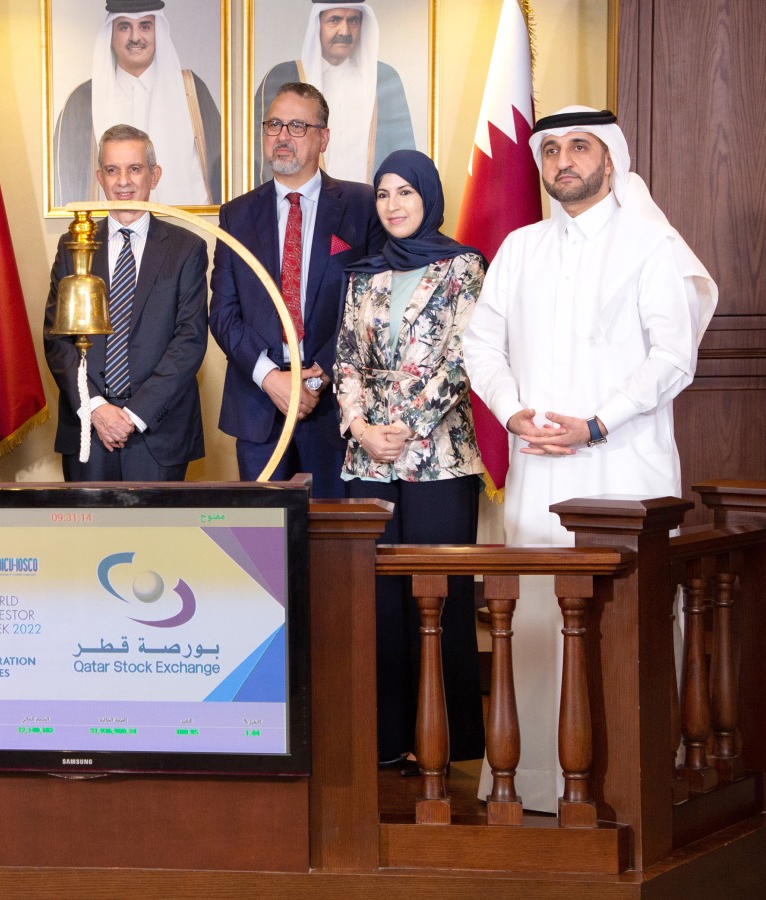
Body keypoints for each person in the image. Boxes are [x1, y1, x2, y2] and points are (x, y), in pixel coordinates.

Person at [463, 106, 718, 811]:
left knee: (624, 616)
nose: (564, 162)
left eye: (580, 147)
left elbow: (674, 356)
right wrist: (513, 409)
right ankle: (535, 782)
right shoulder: (519, 248)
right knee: (539, 617)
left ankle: (635, 780)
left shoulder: (650, 245)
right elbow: (481, 344)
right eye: (552, 151)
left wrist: (598, 424)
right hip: (540, 465)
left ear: (610, 158)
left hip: (623, 466)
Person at [335, 149, 487, 766]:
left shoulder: (464, 267)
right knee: (377, 601)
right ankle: (387, 739)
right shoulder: (362, 273)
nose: (393, 206)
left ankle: (450, 742)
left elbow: (466, 357)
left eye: (405, 193)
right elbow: (345, 356)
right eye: (383, 195)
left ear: (428, 197)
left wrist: (405, 424)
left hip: (439, 460)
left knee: (439, 596)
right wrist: (361, 426)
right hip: (369, 458)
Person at [210, 82, 384, 499]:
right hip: (258, 408)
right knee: (264, 548)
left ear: (323, 137)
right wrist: (271, 378)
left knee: (335, 548)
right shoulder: (236, 214)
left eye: (297, 126)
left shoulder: (362, 206)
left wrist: (317, 376)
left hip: (337, 407)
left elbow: (371, 308)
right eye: (273, 125)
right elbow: (224, 313)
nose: (282, 136)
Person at [44, 124, 208, 481]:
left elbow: (189, 340)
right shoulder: (73, 247)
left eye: (134, 169)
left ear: (154, 175)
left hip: (158, 432)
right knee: (89, 537)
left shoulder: (186, 249)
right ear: (99, 177)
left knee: (158, 537)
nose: (124, 182)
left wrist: (133, 415)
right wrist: (97, 409)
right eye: (113, 170)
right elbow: (58, 341)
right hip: (89, 429)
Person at [53, 0, 221, 207]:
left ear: (158, 32)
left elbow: (215, 178)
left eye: (145, 26)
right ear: (111, 35)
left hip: (185, 229)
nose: (135, 37)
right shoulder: (81, 101)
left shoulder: (191, 91)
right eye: (124, 27)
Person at [252, 2, 415, 186]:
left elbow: (405, 159)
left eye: (353, 21)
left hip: (370, 209)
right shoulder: (281, 76)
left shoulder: (385, 78)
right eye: (334, 20)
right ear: (318, 24)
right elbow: (263, 160)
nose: (344, 31)